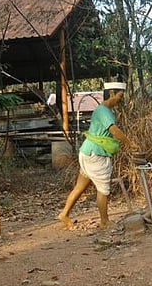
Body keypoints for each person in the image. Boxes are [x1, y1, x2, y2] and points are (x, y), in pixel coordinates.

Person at [58, 81, 139, 229]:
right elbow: (114, 131)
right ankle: (104, 221)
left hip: (88, 152)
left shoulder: (104, 111)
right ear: (112, 93)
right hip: (96, 154)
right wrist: (130, 144)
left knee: (79, 187)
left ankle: (64, 214)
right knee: (103, 189)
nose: (121, 99)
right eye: (120, 95)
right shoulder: (103, 111)